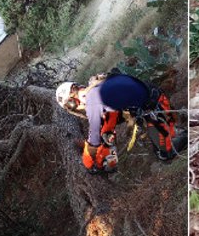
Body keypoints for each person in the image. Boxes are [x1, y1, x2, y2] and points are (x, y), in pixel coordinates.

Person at [55, 71, 187, 174]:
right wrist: (105, 159)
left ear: (72, 103)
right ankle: (173, 131)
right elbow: (108, 127)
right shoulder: (97, 87)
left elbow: (94, 138)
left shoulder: (92, 100)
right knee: (107, 132)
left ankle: (183, 134)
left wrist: (89, 163)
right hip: (152, 100)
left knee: (164, 154)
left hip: (157, 106)